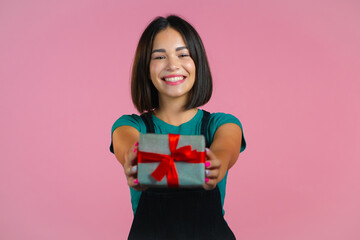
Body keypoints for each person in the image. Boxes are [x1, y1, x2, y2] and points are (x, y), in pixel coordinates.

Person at [110, 15, 246, 240]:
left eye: (183, 54)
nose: (172, 65)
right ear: (145, 67)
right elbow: (127, 147)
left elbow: (226, 149)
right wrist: (133, 159)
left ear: (197, 62)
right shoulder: (129, 125)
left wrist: (216, 163)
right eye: (160, 56)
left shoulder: (221, 124)